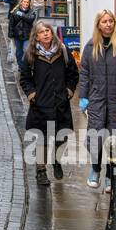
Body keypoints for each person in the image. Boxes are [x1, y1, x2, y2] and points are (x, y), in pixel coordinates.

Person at [78, 9, 116, 190]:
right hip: (97, 101)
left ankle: (111, 176)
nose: (108, 24)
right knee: (96, 137)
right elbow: (85, 74)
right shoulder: (90, 47)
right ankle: (95, 170)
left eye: (111, 21)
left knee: (115, 140)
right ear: (98, 24)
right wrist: (83, 96)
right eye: (104, 21)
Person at [20, 20, 79, 186]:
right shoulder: (31, 55)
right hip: (40, 106)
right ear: (36, 37)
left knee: (62, 137)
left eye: (48, 31)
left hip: (60, 104)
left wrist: (69, 90)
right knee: (42, 140)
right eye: (42, 32)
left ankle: (56, 160)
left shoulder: (63, 51)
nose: (46, 33)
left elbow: (73, 74)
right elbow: (24, 78)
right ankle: (41, 171)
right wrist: (32, 95)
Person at [8, 0, 35, 65]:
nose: (26, 3)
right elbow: (11, 23)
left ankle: (25, 65)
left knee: (26, 50)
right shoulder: (15, 11)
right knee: (19, 51)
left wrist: (21, 14)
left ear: (29, 4)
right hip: (17, 34)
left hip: (27, 34)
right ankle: (20, 65)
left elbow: (30, 19)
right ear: (21, 2)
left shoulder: (32, 12)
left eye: (27, 2)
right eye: (24, 2)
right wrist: (10, 33)